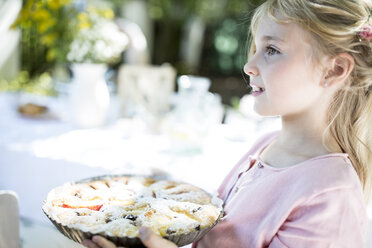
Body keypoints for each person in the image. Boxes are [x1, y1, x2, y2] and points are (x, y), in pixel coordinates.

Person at [83, 0, 372, 247]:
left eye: (272, 49)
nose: (249, 65)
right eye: (256, 47)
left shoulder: (330, 194)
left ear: (335, 70)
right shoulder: (266, 145)